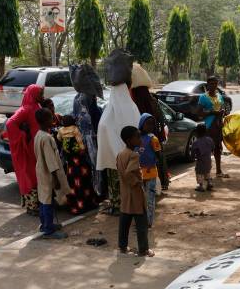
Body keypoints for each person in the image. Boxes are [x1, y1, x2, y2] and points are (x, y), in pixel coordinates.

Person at [97, 53, 140, 215]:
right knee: (123, 182)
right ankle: (121, 205)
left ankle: (119, 205)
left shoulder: (110, 110)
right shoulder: (131, 107)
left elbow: (104, 127)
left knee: (118, 182)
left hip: (119, 158)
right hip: (127, 157)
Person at [130, 63, 170, 190]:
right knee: (158, 159)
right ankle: (162, 183)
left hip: (140, 138)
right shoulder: (152, 100)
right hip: (155, 136)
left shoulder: (133, 102)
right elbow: (161, 119)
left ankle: (149, 185)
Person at [117, 125, 154, 257]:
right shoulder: (134, 155)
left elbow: (121, 173)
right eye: (137, 137)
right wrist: (138, 182)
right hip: (135, 193)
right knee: (141, 223)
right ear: (129, 140)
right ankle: (143, 249)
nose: (140, 139)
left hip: (125, 194)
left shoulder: (121, 154)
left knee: (125, 221)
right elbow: (128, 173)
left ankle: (122, 246)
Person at [34, 108, 71, 239]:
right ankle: (48, 230)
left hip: (41, 171)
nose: (53, 120)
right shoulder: (47, 138)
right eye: (50, 118)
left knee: (44, 198)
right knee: (48, 200)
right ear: (45, 121)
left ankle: (45, 224)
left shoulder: (38, 135)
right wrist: (55, 178)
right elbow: (51, 161)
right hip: (49, 173)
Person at [6, 85, 43, 215]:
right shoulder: (26, 109)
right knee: (30, 176)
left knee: (37, 175)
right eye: (40, 93)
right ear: (33, 94)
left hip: (36, 147)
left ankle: (37, 204)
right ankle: (32, 207)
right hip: (28, 149)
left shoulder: (37, 107)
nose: (42, 96)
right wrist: (22, 135)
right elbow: (10, 123)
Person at [71, 64, 104, 197]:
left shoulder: (80, 99)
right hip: (88, 141)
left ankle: (95, 193)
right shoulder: (84, 99)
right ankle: (95, 193)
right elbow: (90, 122)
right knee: (93, 168)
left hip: (87, 140)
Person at [57, 115, 98, 215]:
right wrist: (83, 149)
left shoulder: (61, 130)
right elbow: (79, 140)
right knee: (84, 181)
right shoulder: (75, 129)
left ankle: (76, 206)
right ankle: (88, 203)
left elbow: (58, 139)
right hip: (79, 161)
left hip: (70, 162)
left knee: (72, 183)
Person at [198, 76, 229, 178]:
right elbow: (199, 112)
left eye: (216, 84)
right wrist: (212, 112)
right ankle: (206, 174)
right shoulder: (203, 97)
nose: (214, 86)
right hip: (209, 127)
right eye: (212, 84)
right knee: (207, 150)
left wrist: (223, 112)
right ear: (208, 85)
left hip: (219, 125)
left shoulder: (219, 95)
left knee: (218, 149)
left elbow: (223, 107)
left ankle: (219, 171)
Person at [138, 113, 162, 227]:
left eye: (152, 124)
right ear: (141, 124)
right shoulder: (136, 138)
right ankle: (142, 220)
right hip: (138, 173)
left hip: (151, 172)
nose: (150, 126)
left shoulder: (153, 139)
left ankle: (148, 221)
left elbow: (158, 155)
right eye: (148, 124)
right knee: (140, 199)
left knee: (150, 199)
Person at [191, 123, 214, 192]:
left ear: (197, 132)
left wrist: (193, 157)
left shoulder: (196, 142)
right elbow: (213, 148)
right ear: (205, 131)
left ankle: (201, 186)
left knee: (199, 173)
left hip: (200, 161)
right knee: (207, 172)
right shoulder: (209, 139)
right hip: (208, 160)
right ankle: (209, 183)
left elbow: (192, 152)